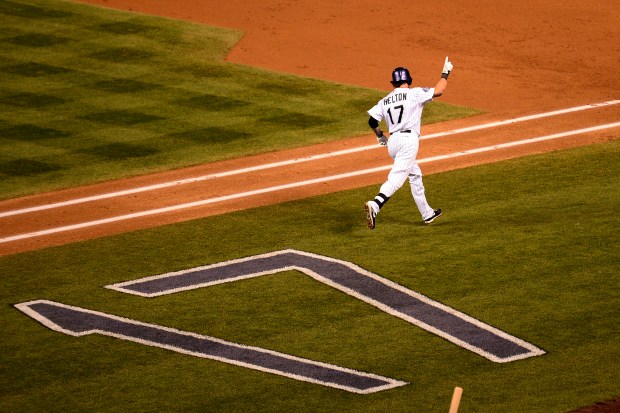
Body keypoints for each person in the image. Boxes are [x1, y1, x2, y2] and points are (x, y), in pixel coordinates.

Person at [364, 57, 453, 230]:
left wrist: (380, 136)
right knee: (397, 178)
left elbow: (372, 121)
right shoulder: (414, 93)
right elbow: (439, 90)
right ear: (408, 80)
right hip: (408, 142)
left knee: (415, 175)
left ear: (394, 82)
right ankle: (375, 205)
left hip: (393, 143)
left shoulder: (385, 100)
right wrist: (446, 72)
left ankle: (427, 213)